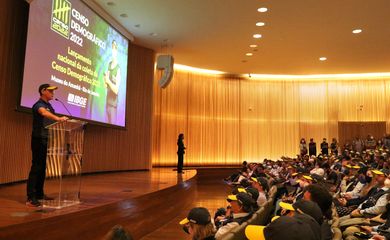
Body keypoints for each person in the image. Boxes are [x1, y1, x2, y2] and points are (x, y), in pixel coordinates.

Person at [26, 84, 68, 207]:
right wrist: (58, 118)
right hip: (39, 139)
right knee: (36, 167)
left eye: (53, 91)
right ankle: (30, 197)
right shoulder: (39, 105)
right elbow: (43, 113)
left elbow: (51, 121)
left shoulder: (50, 106)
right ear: (43, 91)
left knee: (43, 167)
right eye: (50, 91)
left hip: (47, 139)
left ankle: (39, 194)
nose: (53, 93)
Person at [104, 40, 121, 124]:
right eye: (112, 48)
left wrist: (108, 81)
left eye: (114, 48)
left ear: (116, 51)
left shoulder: (118, 68)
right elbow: (106, 85)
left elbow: (116, 90)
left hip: (113, 107)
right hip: (107, 104)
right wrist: (105, 80)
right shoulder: (109, 64)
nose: (113, 51)